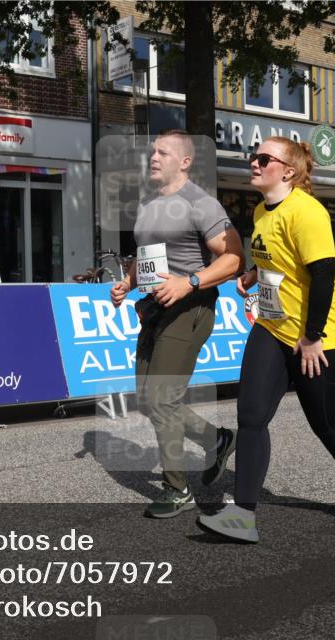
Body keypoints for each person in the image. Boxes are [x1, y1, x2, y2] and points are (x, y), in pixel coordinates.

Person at [197, 137, 335, 544]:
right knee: (251, 415)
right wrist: (252, 275)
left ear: (289, 170)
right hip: (273, 326)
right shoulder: (263, 210)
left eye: (264, 158)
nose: (255, 163)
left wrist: (313, 337)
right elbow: (275, 260)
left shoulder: (307, 211)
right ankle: (242, 515)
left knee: (325, 423)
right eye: (254, 156)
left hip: (319, 335)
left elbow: (321, 276)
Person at [109, 129, 244, 519]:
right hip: (154, 309)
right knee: (148, 400)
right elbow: (146, 255)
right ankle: (216, 439)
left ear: (184, 161)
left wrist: (190, 282)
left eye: (162, 152)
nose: (153, 157)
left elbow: (234, 258)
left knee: (163, 399)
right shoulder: (150, 203)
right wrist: (128, 283)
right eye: (153, 152)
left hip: (192, 308)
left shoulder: (200, 203)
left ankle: (176, 488)